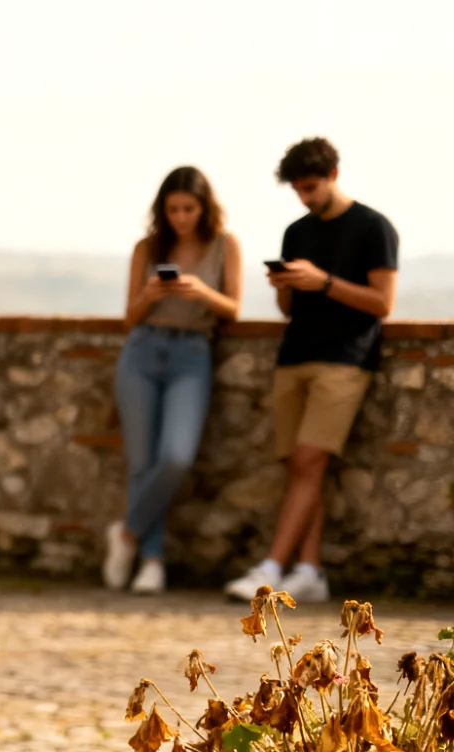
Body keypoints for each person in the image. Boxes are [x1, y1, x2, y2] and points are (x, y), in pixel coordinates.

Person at [223, 139, 397, 603]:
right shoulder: (296, 232)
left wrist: (323, 281)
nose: (305, 197)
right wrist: (284, 284)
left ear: (333, 174)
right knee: (300, 467)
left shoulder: (373, 228)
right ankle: (310, 570)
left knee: (308, 461)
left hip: (346, 359)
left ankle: (271, 568)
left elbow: (382, 302)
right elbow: (287, 308)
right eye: (298, 190)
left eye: (311, 187)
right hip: (295, 354)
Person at [102, 167, 242, 594]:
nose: (181, 217)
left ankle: (125, 533)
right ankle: (152, 560)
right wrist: (150, 295)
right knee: (143, 463)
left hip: (192, 353)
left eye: (189, 208)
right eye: (173, 209)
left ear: (204, 208)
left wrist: (201, 292)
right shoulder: (148, 247)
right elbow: (129, 317)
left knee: (176, 457)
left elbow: (232, 308)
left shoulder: (224, 245)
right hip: (143, 350)